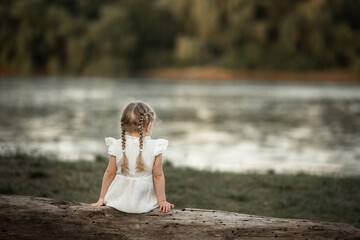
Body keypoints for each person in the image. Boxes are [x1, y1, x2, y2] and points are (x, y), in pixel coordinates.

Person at [90, 101, 174, 213]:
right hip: (144, 203)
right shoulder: (156, 147)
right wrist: (162, 201)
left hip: (118, 201)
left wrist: (102, 198)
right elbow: (158, 176)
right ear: (148, 126)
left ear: (124, 126)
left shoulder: (116, 145)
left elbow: (109, 173)